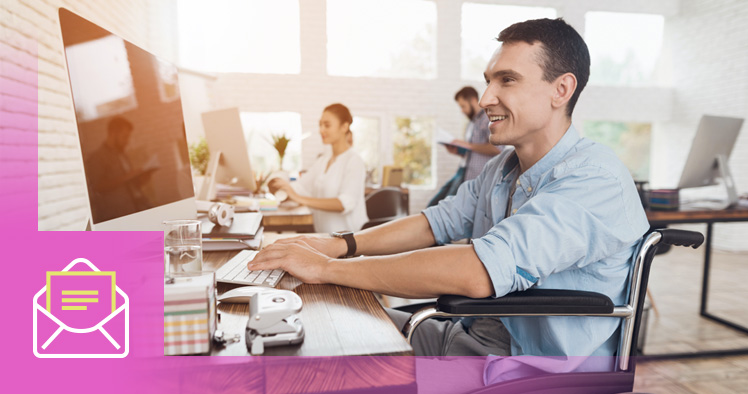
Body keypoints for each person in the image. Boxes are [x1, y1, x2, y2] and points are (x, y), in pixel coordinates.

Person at [252, 18, 648, 363]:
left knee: (333, 356)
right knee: (320, 322)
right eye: (488, 81)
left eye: (506, 80)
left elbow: (479, 272)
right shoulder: (502, 168)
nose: (486, 99)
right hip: (467, 335)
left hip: (524, 365)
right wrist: (338, 246)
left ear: (561, 90)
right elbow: (433, 223)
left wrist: (326, 269)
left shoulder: (595, 180)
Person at [269, 104, 368, 233]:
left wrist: (299, 198)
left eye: (327, 125)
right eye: (320, 125)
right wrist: (278, 181)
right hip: (324, 239)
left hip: (349, 241)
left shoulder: (354, 161)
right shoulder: (323, 160)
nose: (321, 130)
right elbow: (299, 187)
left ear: (344, 127)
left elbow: (344, 204)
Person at [428, 87, 502, 206]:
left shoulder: (487, 119)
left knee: (445, 208)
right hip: (463, 170)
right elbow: (473, 151)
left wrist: (467, 145)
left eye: (463, 106)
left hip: (474, 175)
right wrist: (457, 150)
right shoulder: (471, 123)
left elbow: (497, 148)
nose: (462, 110)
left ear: (473, 100)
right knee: (434, 204)